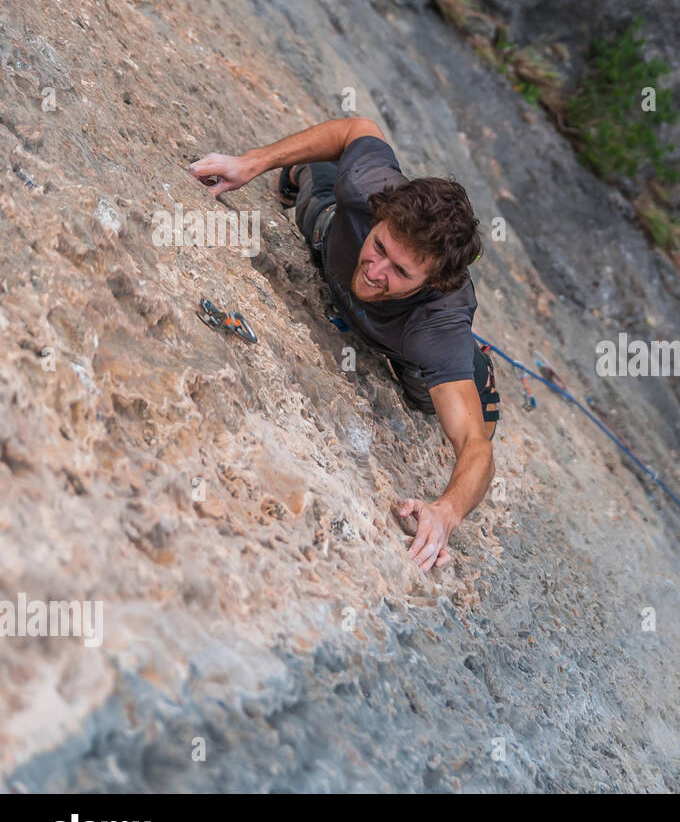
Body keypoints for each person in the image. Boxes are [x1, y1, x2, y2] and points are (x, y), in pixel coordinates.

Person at [188, 117, 498, 573]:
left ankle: (478, 368)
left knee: (430, 397)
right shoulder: (369, 186)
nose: (376, 271)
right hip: (333, 241)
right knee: (314, 192)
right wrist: (251, 163)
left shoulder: (440, 327)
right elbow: (358, 128)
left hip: (404, 346)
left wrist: (447, 512)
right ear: (380, 217)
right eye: (381, 247)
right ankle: (304, 180)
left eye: (400, 271)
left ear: (432, 282)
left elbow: (476, 444)